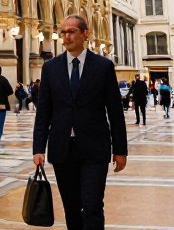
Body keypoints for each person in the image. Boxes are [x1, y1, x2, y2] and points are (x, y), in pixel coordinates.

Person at [32, 15, 127, 230]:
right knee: (71, 207)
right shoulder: (51, 67)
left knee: (92, 204)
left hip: (95, 147)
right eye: (63, 32)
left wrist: (120, 149)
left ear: (85, 33)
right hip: (62, 148)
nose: (66, 36)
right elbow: (44, 111)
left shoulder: (103, 66)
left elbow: (114, 111)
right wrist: (38, 147)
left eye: (72, 31)